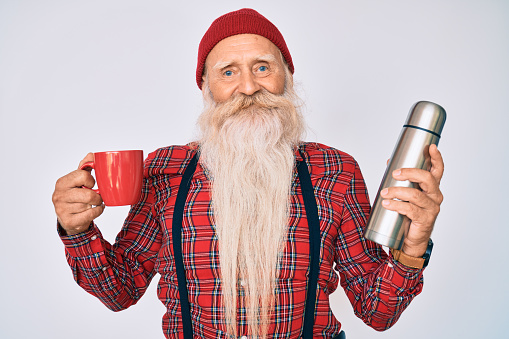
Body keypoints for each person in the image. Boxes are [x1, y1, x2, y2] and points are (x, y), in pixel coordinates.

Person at [52, 8, 444, 339]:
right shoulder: (165, 169)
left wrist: (412, 247)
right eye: (228, 72)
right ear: (206, 87)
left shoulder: (335, 170)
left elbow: (378, 312)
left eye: (262, 67)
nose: (249, 87)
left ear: (286, 77)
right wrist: (77, 230)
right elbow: (118, 291)